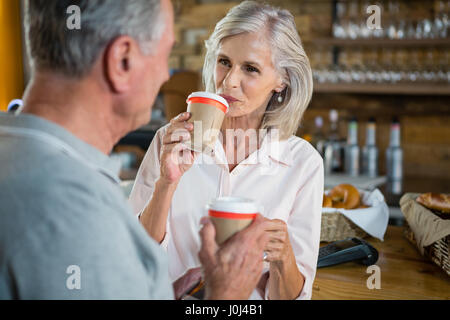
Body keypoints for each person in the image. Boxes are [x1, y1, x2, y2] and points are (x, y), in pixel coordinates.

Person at [0, 0, 267, 300]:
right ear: (122, 60)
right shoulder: (72, 206)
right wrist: (226, 298)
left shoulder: (17, 154)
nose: (166, 76)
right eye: (164, 54)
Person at [129, 1, 324, 300]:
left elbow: (295, 297)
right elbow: (133, 257)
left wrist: (284, 256)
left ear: (281, 81)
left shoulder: (303, 163)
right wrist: (166, 184)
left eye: (250, 68)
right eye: (224, 62)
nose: (230, 81)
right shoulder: (170, 142)